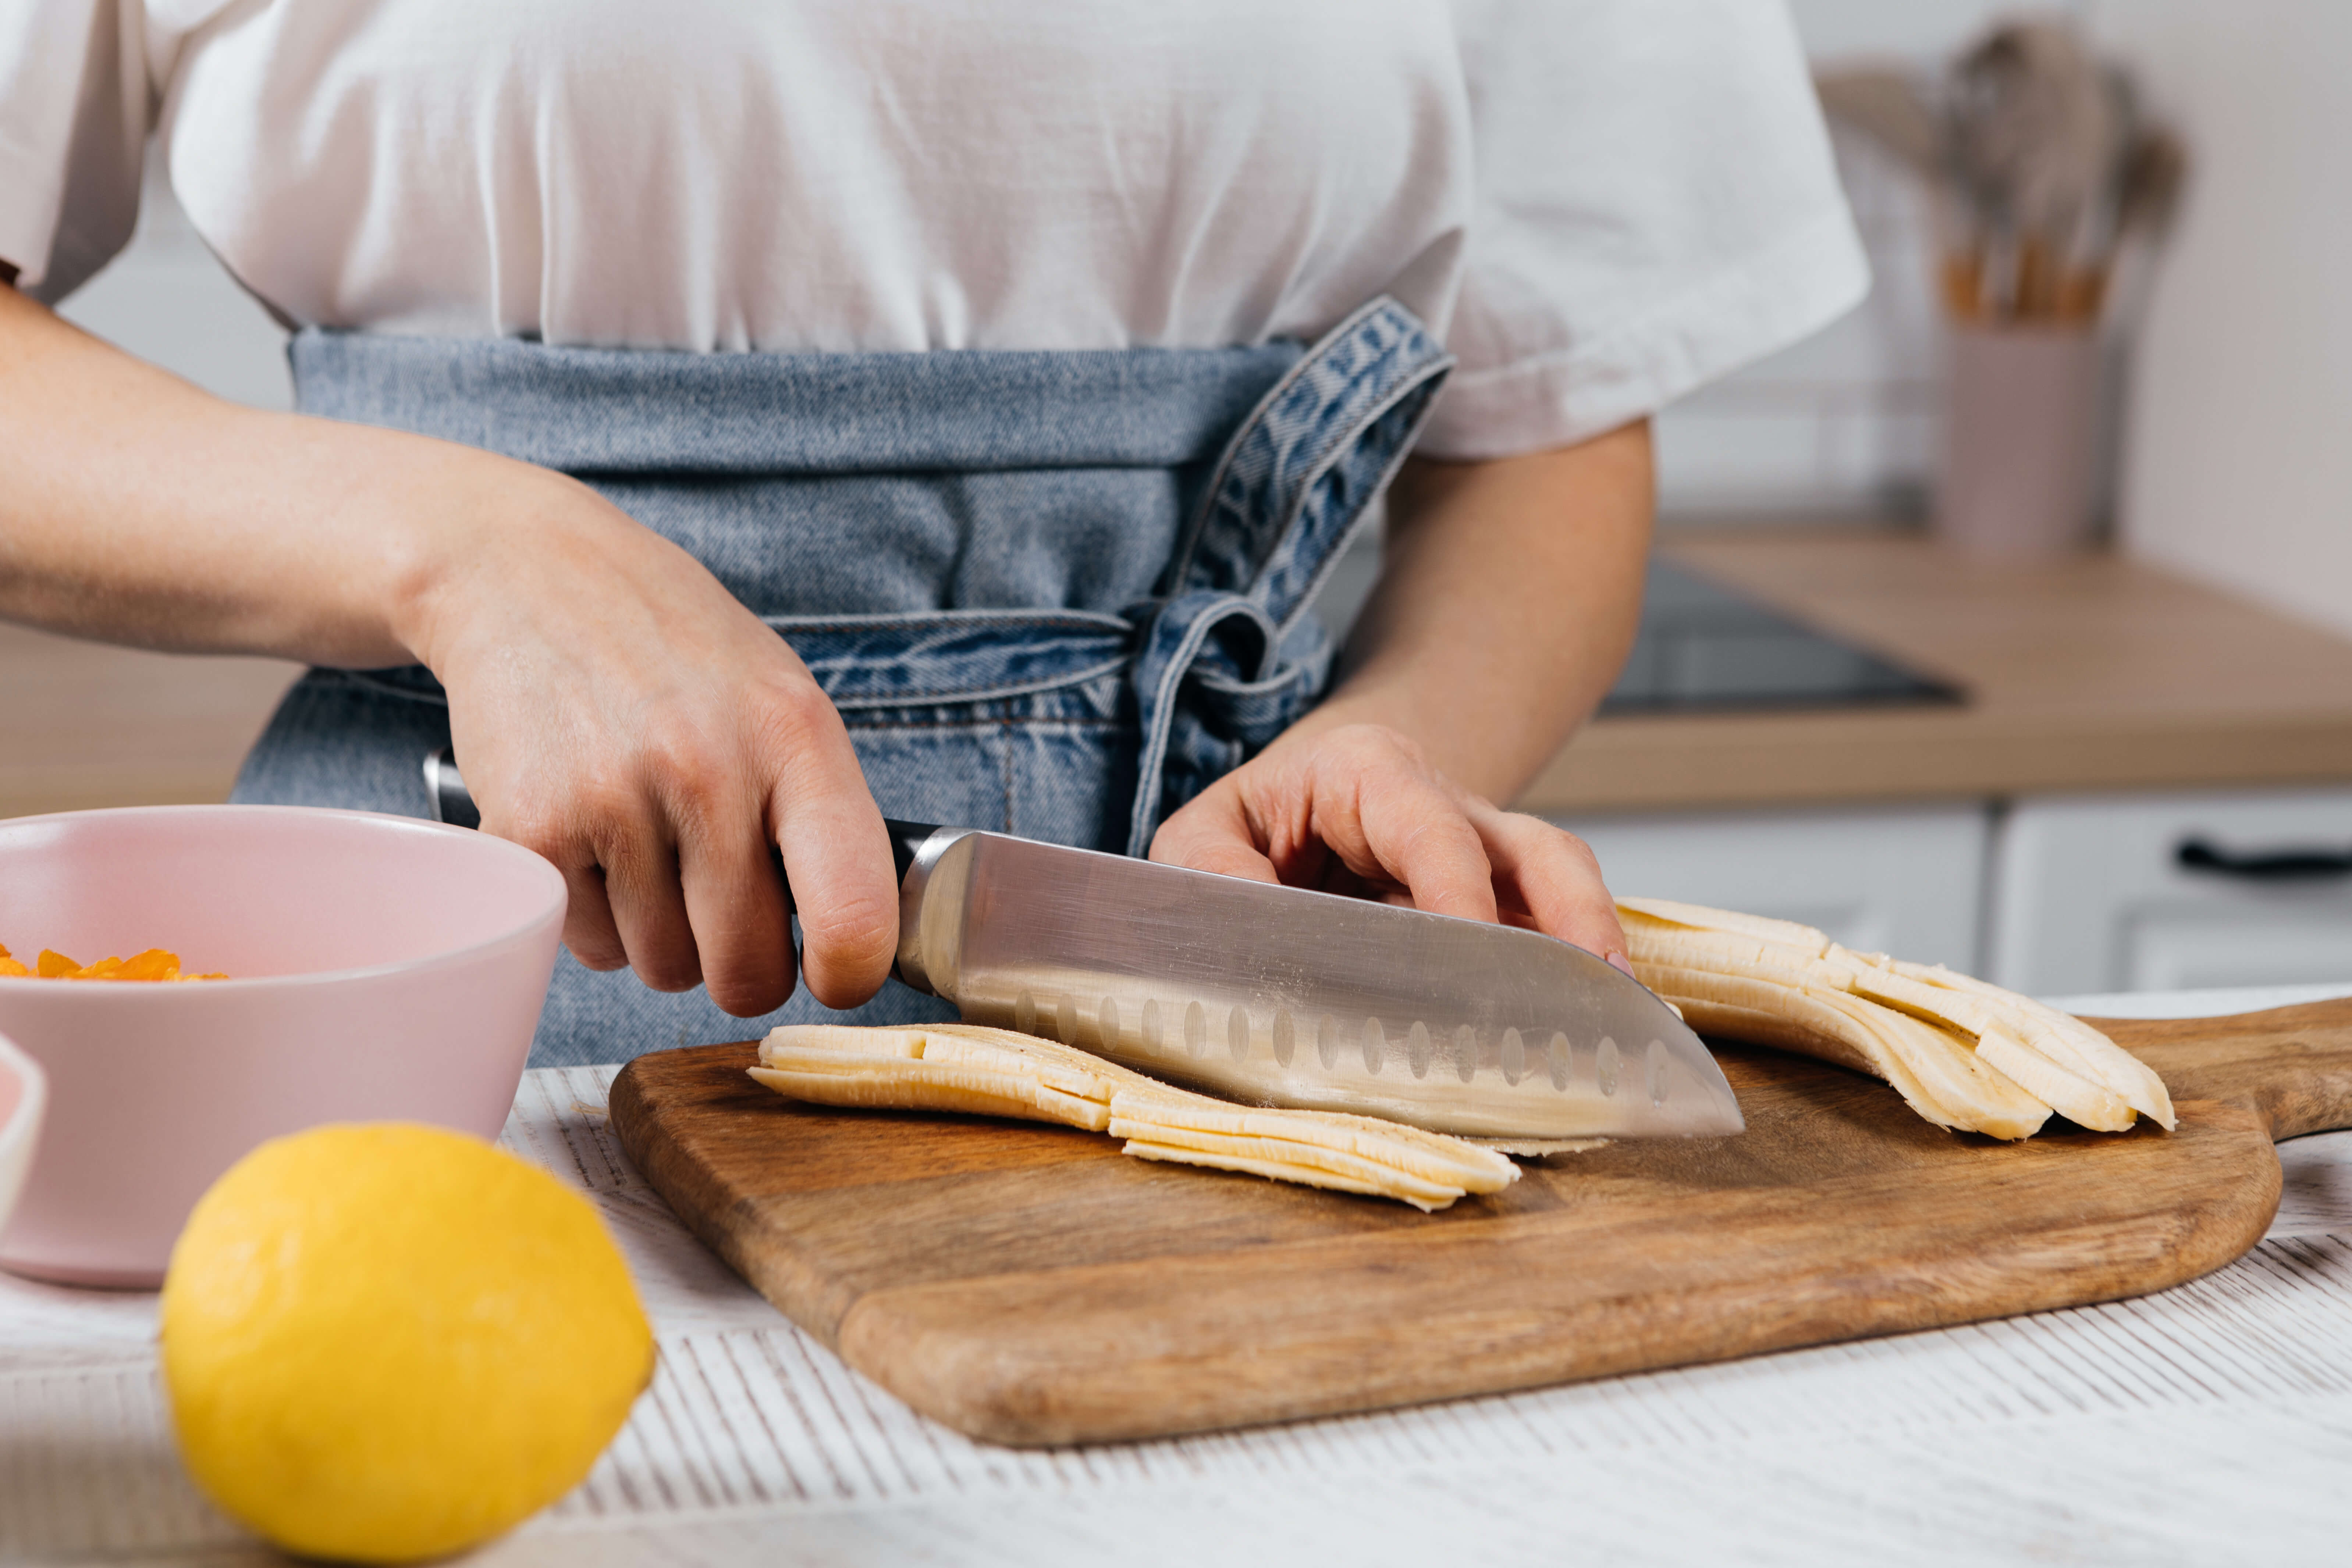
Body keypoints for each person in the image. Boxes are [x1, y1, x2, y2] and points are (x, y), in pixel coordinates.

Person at [0, 1, 1865, 1067]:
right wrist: (476, 551)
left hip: (1235, 963)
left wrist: (1390, 755)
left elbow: (1552, 420)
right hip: (448, 990)